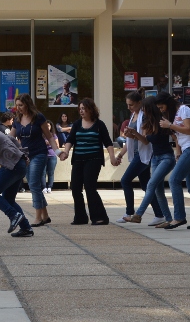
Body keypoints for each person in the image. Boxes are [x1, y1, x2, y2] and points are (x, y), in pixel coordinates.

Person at [155, 92, 190, 230]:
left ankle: (179, 217)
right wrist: (178, 150)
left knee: (174, 180)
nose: (161, 110)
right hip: (189, 150)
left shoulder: (184, 109)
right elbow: (178, 136)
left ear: (168, 103)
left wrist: (170, 125)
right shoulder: (172, 115)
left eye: (162, 107)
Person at [59, 98, 117, 226]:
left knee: (90, 187)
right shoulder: (77, 124)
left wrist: (112, 157)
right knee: (75, 188)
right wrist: (66, 152)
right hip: (78, 159)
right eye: (80, 109)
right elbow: (70, 139)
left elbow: (107, 142)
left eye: (84, 108)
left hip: (94, 159)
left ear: (91, 109)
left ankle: (100, 217)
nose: (81, 111)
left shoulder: (99, 124)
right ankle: (80, 217)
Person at [121, 97, 174, 227]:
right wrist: (133, 133)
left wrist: (179, 152)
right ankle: (166, 219)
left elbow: (175, 136)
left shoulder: (162, 121)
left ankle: (138, 214)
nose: (143, 111)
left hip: (167, 158)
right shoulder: (149, 122)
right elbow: (145, 140)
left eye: (145, 108)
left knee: (150, 185)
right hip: (155, 158)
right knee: (157, 190)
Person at [9, 94, 61, 227]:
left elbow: (49, 137)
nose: (18, 108)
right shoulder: (17, 119)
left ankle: (38, 217)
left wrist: (57, 152)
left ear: (27, 104)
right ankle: (45, 215)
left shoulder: (38, 117)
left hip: (39, 153)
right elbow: (10, 138)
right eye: (17, 105)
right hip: (25, 155)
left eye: (21, 105)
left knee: (33, 184)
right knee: (35, 186)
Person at [41, 120, 58, 194]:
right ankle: (44, 187)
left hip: (52, 155)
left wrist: (50, 143)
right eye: (46, 126)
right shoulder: (40, 135)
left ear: (51, 127)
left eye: (48, 126)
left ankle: (50, 187)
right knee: (43, 172)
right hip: (43, 155)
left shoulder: (53, 135)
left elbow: (57, 145)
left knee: (50, 172)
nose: (47, 127)